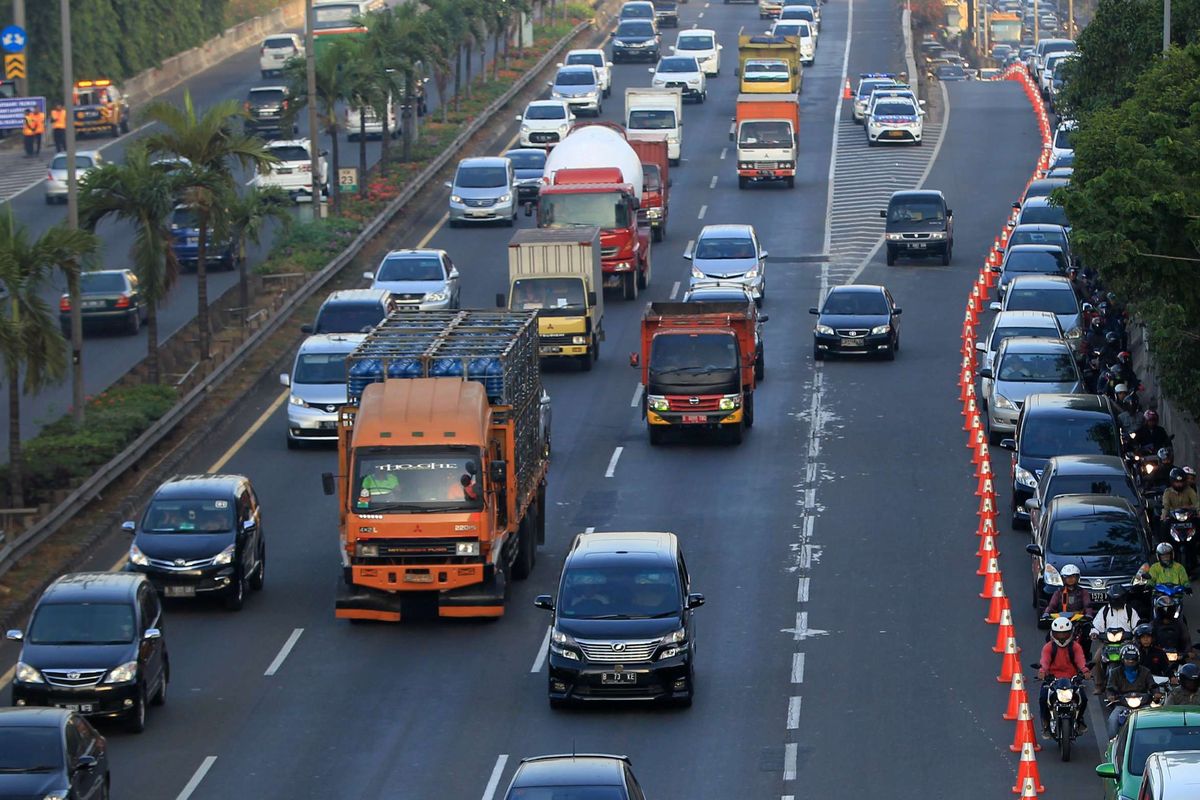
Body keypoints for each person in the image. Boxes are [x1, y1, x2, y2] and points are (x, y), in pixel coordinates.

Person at [1038, 616, 1090, 736]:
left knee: (1083, 698)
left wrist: (1085, 670)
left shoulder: (1075, 647)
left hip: (1071, 680)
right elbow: (1044, 661)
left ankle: (1079, 719)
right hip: (1052, 679)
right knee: (1043, 698)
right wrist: (1042, 671)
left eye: (1064, 634)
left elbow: (1080, 660)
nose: (1061, 637)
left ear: (1070, 633)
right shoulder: (1048, 647)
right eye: (1058, 634)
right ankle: (1046, 724)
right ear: (1053, 634)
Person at [1105, 644, 1160, 738]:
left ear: (1137, 660)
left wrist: (1156, 693)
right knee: (1112, 720)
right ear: (1122, 659)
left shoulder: (1145, 671)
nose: (1130, 661)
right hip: (1122, 703)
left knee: (1155, 719)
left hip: (1143, 704)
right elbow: (1110, 688)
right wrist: (1111, 696)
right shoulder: (1114, 672)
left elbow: (1153, 685)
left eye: (1133, 659)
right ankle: (1112, 742)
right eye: (1127, 659)